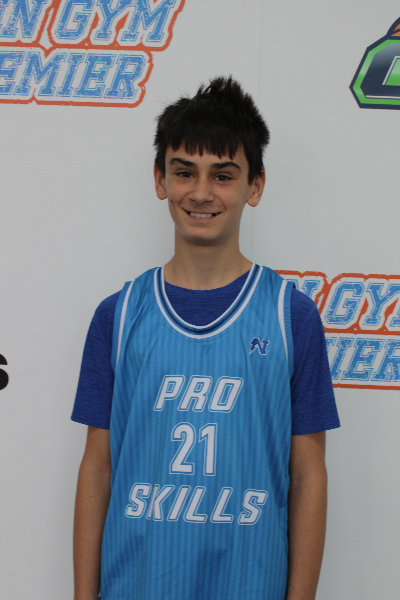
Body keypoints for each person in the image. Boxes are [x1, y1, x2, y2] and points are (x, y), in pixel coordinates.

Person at [71, 76, 340, 600]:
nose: (200, 192)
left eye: (222, 175)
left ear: (254, 186)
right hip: (136, 585)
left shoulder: (291, 317)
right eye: (184, 172)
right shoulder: (118, 316)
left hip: (250, 585)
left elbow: (309, 475)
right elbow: (97, 468)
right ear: (160, 180)